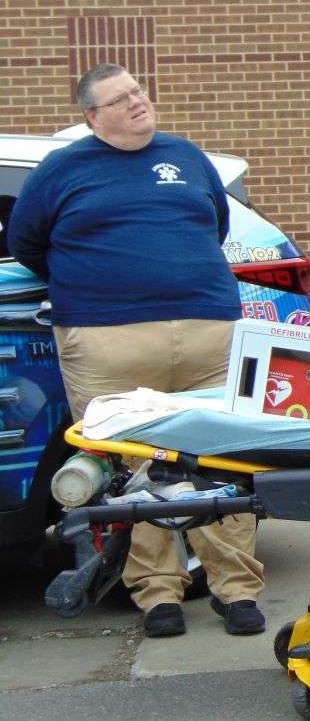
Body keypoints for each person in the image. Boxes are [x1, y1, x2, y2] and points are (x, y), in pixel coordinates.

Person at [9, 62, 264, 639]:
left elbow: (215, 225)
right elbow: (26, 243)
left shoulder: (187, 156)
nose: (137, 103)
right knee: (132, 471)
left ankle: (237, 591)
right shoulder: (60, 171)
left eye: (139, 91)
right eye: (120, 99)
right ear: (92, 117)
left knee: (222, 463)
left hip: (208, 335)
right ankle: (157, 596)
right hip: (108, 342)